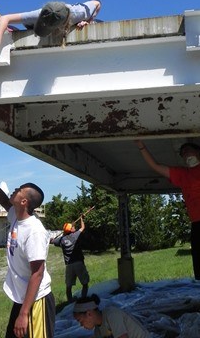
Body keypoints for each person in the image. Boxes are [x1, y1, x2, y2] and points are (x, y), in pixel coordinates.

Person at [0, 158, 55, 338]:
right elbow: (2, 199)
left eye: (19, 190)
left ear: (24, 201)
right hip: (23, 299)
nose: (15, 190)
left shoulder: (34, 231)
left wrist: (24, 313)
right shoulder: (16, 218)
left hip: (36, 301)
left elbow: (37, 273)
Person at [135, 139, 200, 281]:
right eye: (182, 154)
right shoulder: (183, 174)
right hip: (197, 224)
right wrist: (141, 146)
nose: (185, 154)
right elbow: (155, 166)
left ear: (197, 152)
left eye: (188, 150)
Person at [0, 0, 102, 60]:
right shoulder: (35, 15)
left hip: (73, 21)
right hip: (31, 26)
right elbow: (5, 18)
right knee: (11, 30)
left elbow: (97, 3)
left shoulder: (79, 13)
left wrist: (89, 21)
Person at [73, 294, 150, 338]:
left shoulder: (112, 314)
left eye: (81, 321)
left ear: (89, 314)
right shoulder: (98, 331)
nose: (81, 325)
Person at [51, 216, 89, 302]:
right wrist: (82, 219)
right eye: (72, 227)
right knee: (85, 283)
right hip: (79, 263)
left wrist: (53, 239)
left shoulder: (61, 240)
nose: (74, 227)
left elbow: (52, 241)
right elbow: (82, 227)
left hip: (69, 265)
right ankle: (83, 300)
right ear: (70, 230)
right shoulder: (75, 236)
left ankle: (70, 302)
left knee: (68, 286)